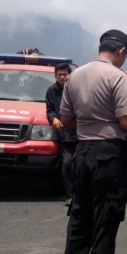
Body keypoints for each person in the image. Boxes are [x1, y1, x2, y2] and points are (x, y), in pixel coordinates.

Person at [60, 30, 127, 254]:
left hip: (82, 153)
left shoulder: (75, 75)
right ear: (120, 51)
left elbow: (67, 119)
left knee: (79, 217)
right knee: (105, 222)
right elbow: (125, 120)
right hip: (108, 155)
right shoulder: (117, 77)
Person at [45, 63, 76, 206]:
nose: (62, 77)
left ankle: (83, 194)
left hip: (82, 132)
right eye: (59, 74)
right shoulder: (51, 91)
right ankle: (70, 195)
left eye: (65, 74)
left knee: (82, 164)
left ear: (70, 75)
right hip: (65, 134)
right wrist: (54, 118)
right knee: (67, 163)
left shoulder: (77, 89)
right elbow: (49, 110)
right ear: (55, 76)